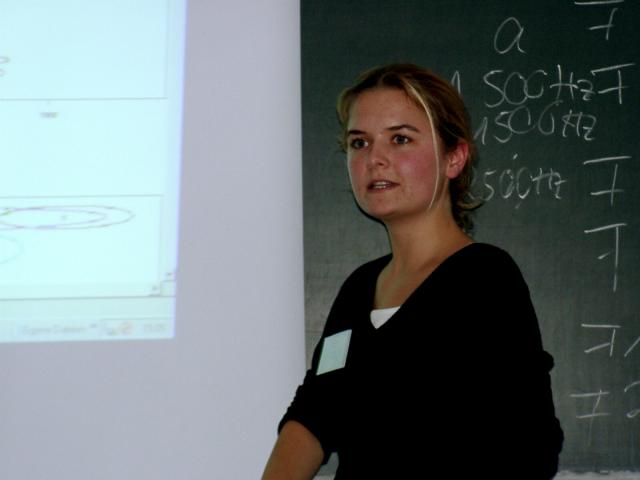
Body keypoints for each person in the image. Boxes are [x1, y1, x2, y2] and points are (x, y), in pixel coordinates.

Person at [263, 64, 563, 479]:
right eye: (359, 142)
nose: (375, 159)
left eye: (400, 139)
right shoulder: (358, 288)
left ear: (454, 158)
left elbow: (531, 446)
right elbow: (317, 410)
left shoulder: (484, 278)